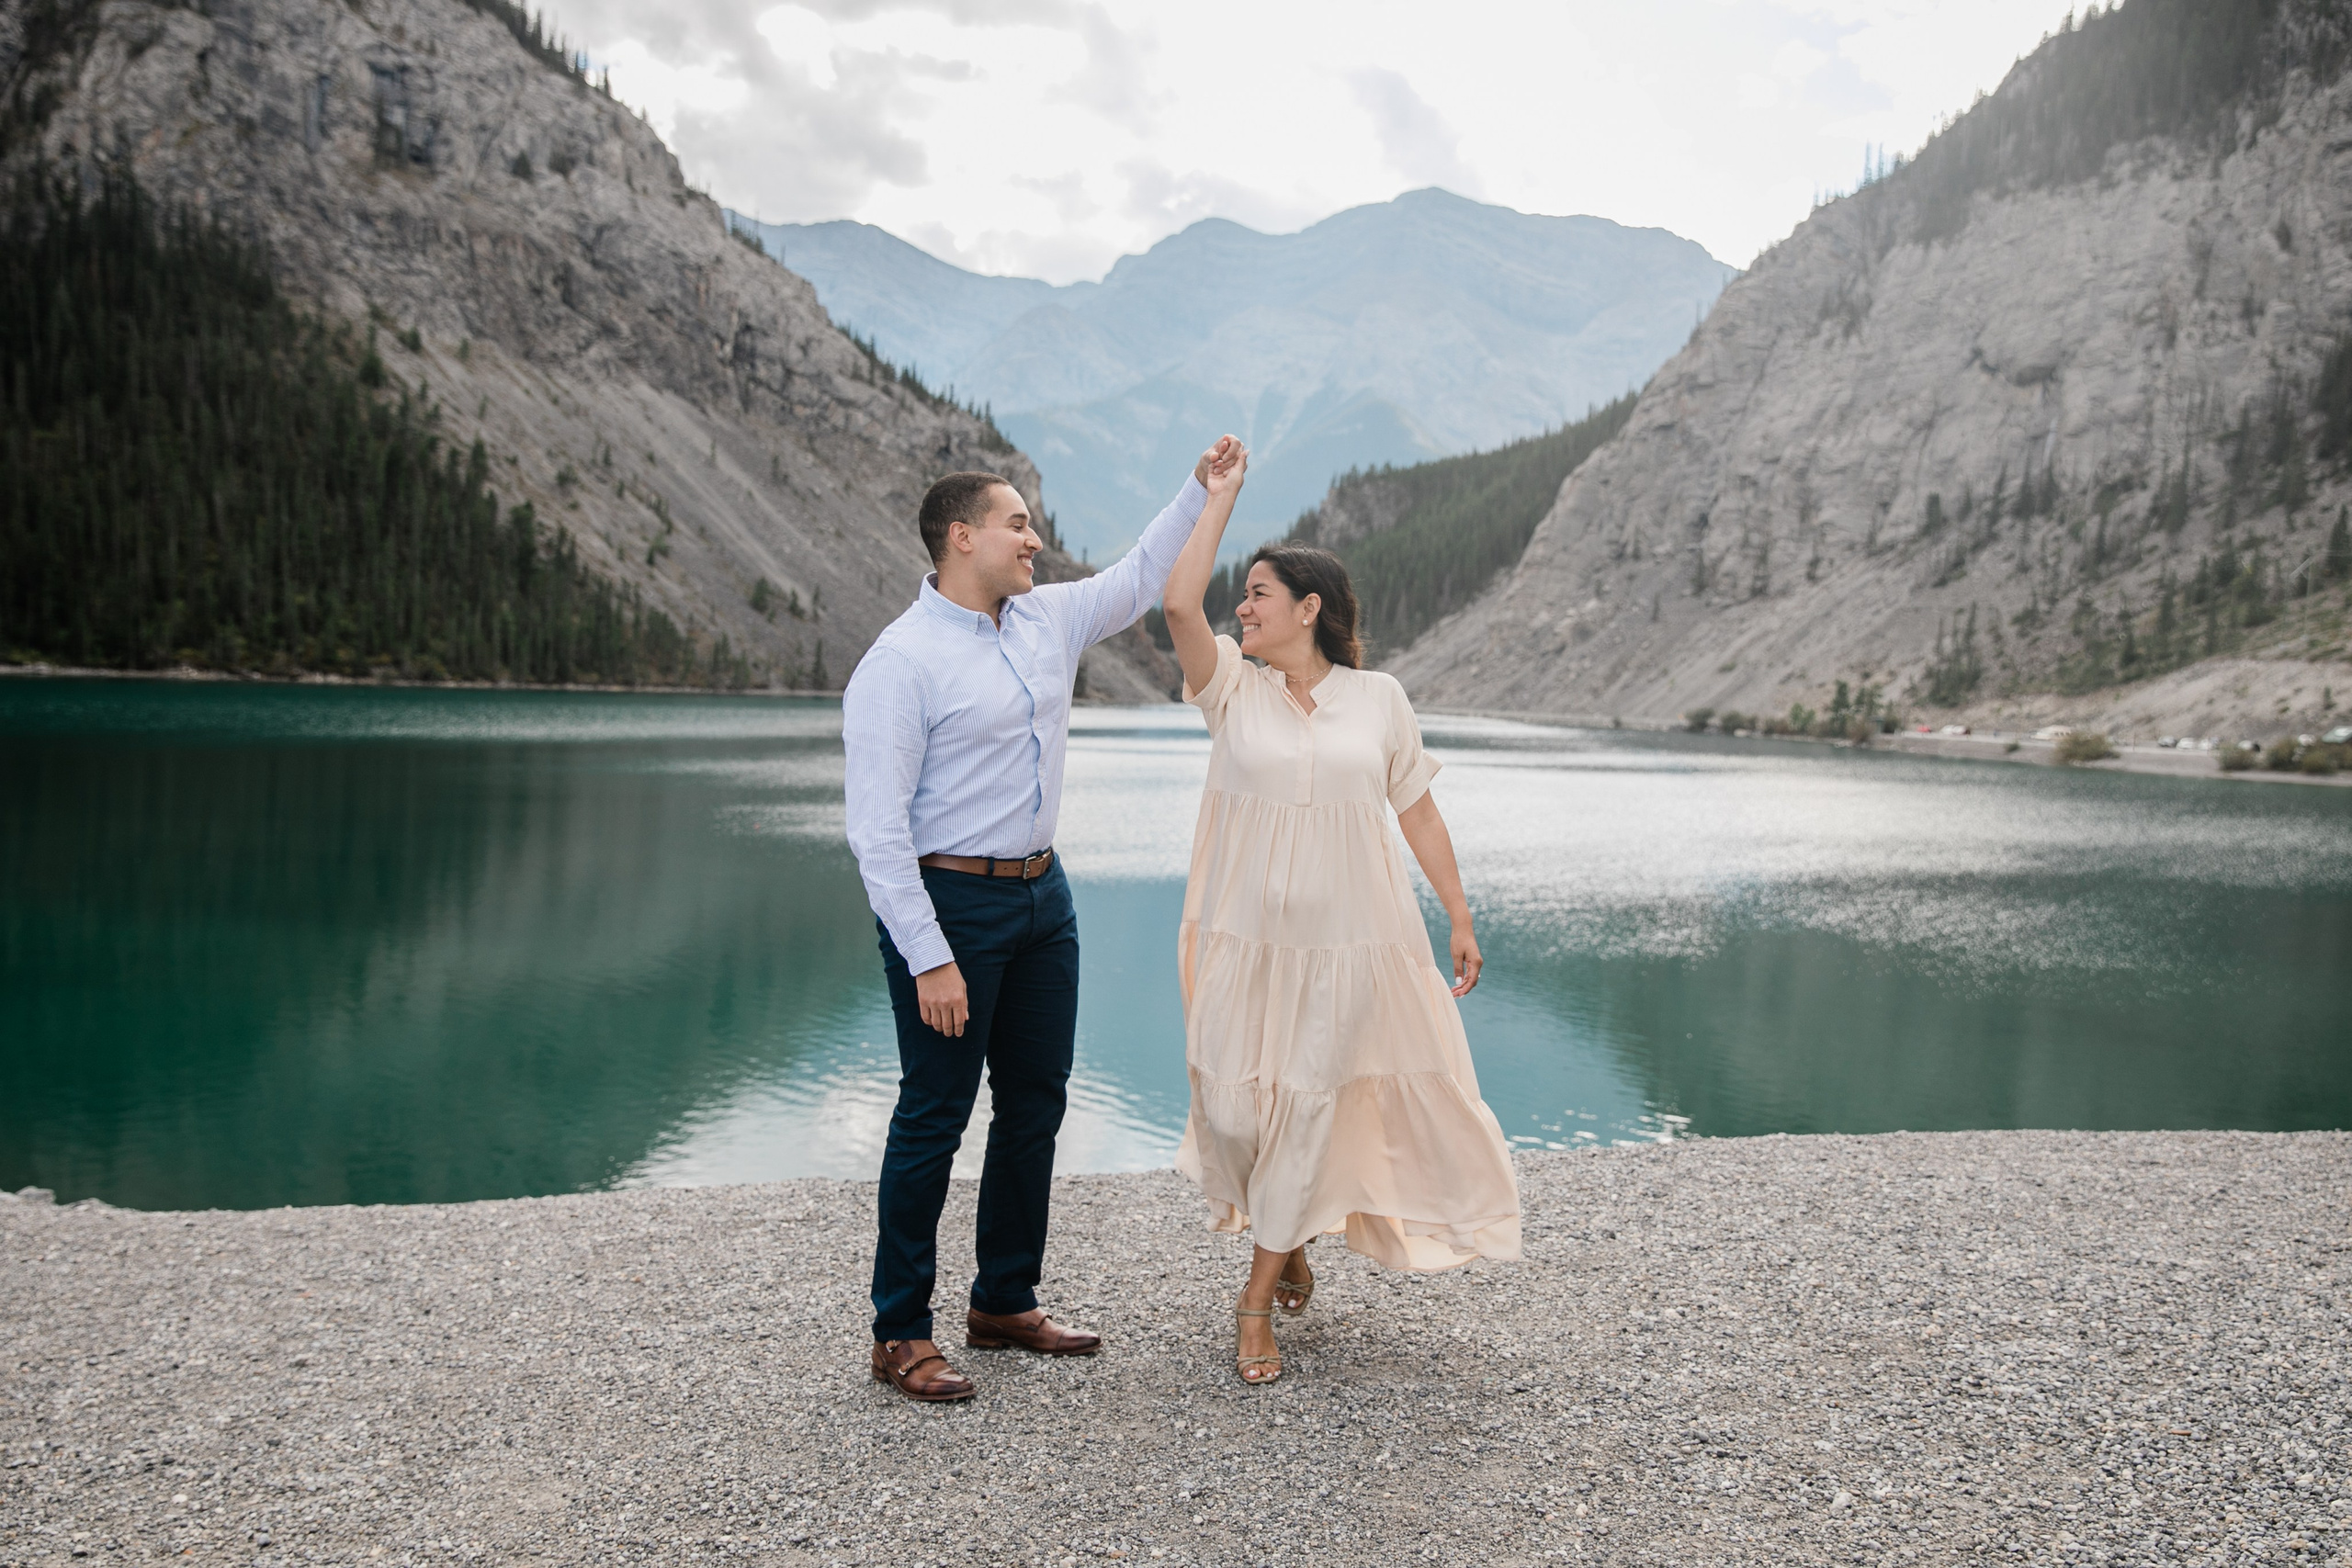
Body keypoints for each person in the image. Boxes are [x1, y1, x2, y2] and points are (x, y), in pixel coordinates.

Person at [842, 438, 1248, 1403]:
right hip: (951, 907)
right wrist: (930, 957)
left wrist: (1200, 491)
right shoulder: (900, 663)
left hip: (1041, 898)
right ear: (961, 536)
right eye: (1017, 523)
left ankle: (1002, 1301)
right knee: (932, 1117)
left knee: (1034, 1103)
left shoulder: (1046, 619)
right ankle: (899, 1332)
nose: (1034, 539)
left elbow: (1144, 574)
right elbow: (875, 833)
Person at [1159, 463, 1522, 1385]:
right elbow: (1173, 607)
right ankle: (1290, 1241)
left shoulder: (1380, 700)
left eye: (1257, 595)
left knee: (1311, 1108)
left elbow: (1419, 814)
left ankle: (1254, 1306)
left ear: (1309, 607)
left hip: (1350, 951)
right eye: (1240, 597)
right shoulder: (1229, 691)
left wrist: (1459, 915)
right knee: (1235, 1114)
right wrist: (1218, 502)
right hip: (1245, 947)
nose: (1241, 610)